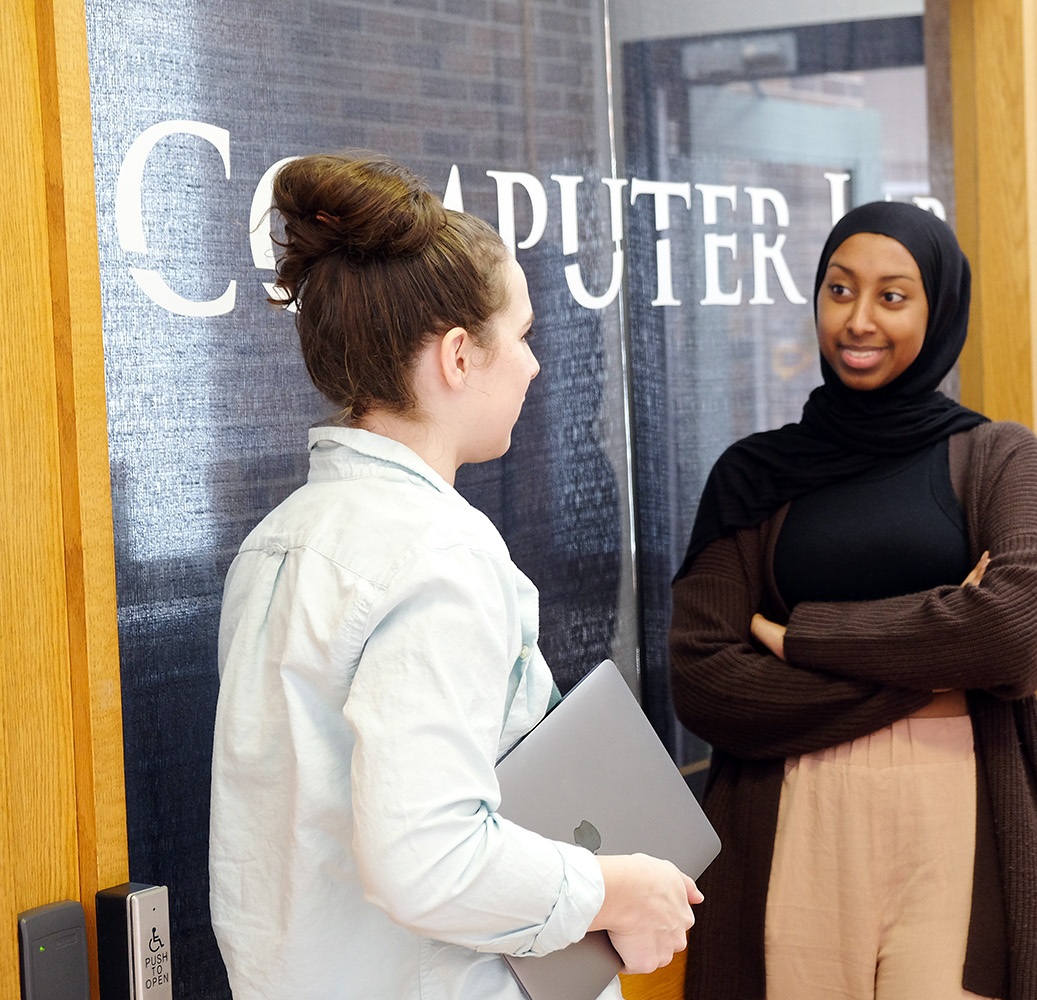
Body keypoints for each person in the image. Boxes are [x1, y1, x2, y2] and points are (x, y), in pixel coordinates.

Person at [209, 152, 699, 1000]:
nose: (536, 366)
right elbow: (425, 856)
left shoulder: (276, 544)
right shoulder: (440, 554)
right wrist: (616, 889)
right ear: (461, 357)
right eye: (524, 337)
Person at [669, 201, 1037, 1000]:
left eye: (893, 296)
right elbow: (706, 682)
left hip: (959, 811)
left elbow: (1006, 634)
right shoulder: (753, 475)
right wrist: (938, 660)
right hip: (794, 812)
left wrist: (804, 638)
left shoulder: (999, 458)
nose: (859, 320)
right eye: (839, 290)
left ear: (938, 310)